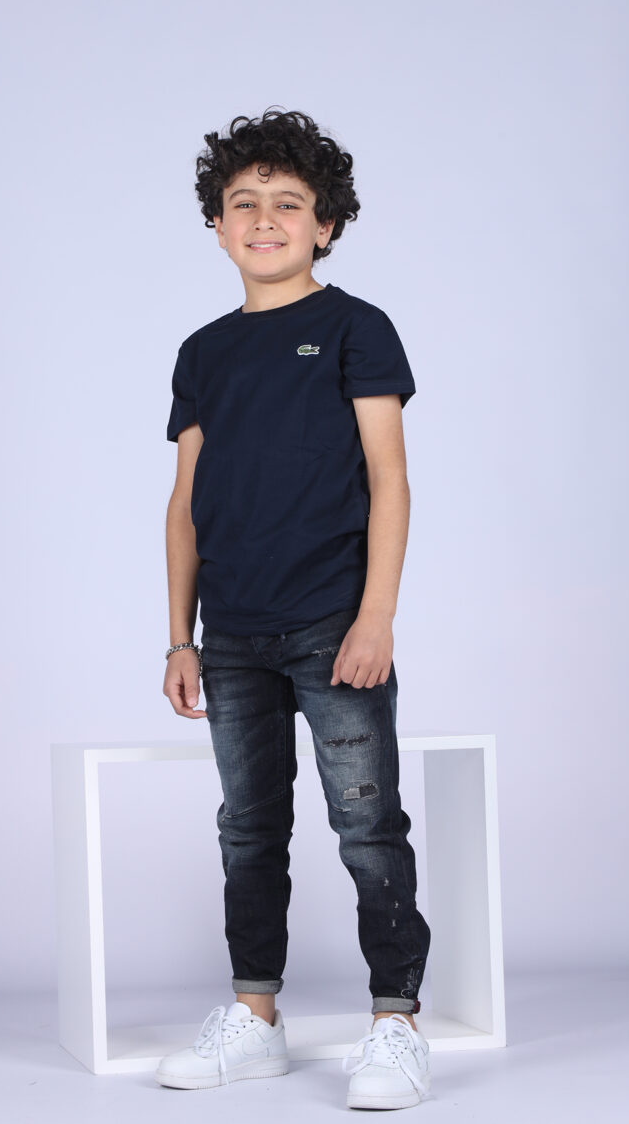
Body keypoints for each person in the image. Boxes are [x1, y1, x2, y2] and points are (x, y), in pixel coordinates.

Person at [156, 108, 432, 1109]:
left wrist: (376, 617)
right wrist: (179, 638)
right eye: (244, 203)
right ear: (218, 225)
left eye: (287, 203)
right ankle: (256, 1019)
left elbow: (389, 480)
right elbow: (185, 504)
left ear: (326, 225)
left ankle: (396, 1025)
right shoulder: (203, 351)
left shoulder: (358, 328)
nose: (264, 219)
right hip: (231, 633)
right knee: (248, 828)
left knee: (367, 825)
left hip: (332, 624)